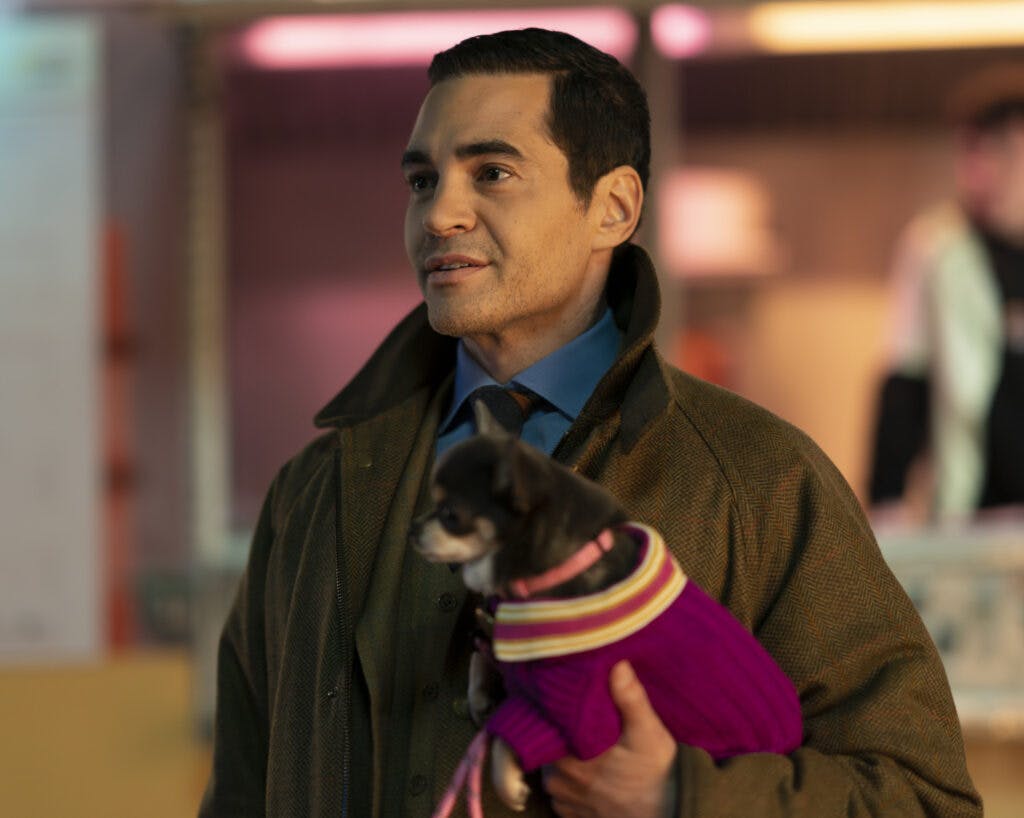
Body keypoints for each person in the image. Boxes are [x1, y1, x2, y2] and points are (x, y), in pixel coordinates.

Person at [200, 28, 981, 818]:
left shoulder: (762, 482)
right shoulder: (315, 494)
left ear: (613, 209)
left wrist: (680, 798)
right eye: (422, 180)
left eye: (491, 173)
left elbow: (923, 801)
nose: (439, 214)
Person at [869, 63, 1024, 523]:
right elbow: (904, 381)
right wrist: (886, 504)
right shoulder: (939, 247)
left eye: (1000, 152)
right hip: (971, 516)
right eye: (970, 153)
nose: (979, 173)